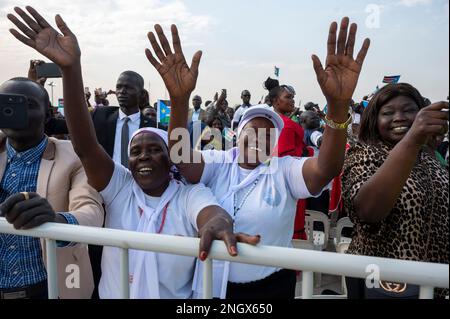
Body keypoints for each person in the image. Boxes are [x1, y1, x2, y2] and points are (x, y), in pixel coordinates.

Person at [9, 6, 260, 299]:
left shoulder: (189, 194)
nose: (143, 156)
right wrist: (70, 68)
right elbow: (86, 148)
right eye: (136, 151)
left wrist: (218, 224)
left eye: (154, 150)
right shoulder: (121, 189)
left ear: (170, 160)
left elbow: (212, 214)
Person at [145, 18, 370, 298]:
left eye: (268, 136)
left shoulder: (283, 170)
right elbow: (179, 156)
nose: (259, 140)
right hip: (214, 285)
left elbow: (325, 169)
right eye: (252, 131)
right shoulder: (221, 162)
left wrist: (337, 108)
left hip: (271, 287)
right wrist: (179, 100)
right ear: (237, 135)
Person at [0, 75, 104, 299]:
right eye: (7, 103)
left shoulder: (73, 156)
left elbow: (92, 212)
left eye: (27, 104)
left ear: (48, 114)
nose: (15, 112)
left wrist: (57, 221)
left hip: (51, 287)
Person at [342, 83, 449, 299]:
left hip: (432, 281)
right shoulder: (365, 154)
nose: (399, 117)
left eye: (409, 110)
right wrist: (413, 139)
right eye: (388, 113)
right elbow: (368, 212)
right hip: (382, 282)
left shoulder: (428, 157)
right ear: (374, 120)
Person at [264, 78, 310, 240]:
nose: (292, 100)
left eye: (292, 97)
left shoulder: (268, 121)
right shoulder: (286, 125)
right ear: (275, 102)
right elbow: (283, 158)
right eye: (288, 97)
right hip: (288, 184)